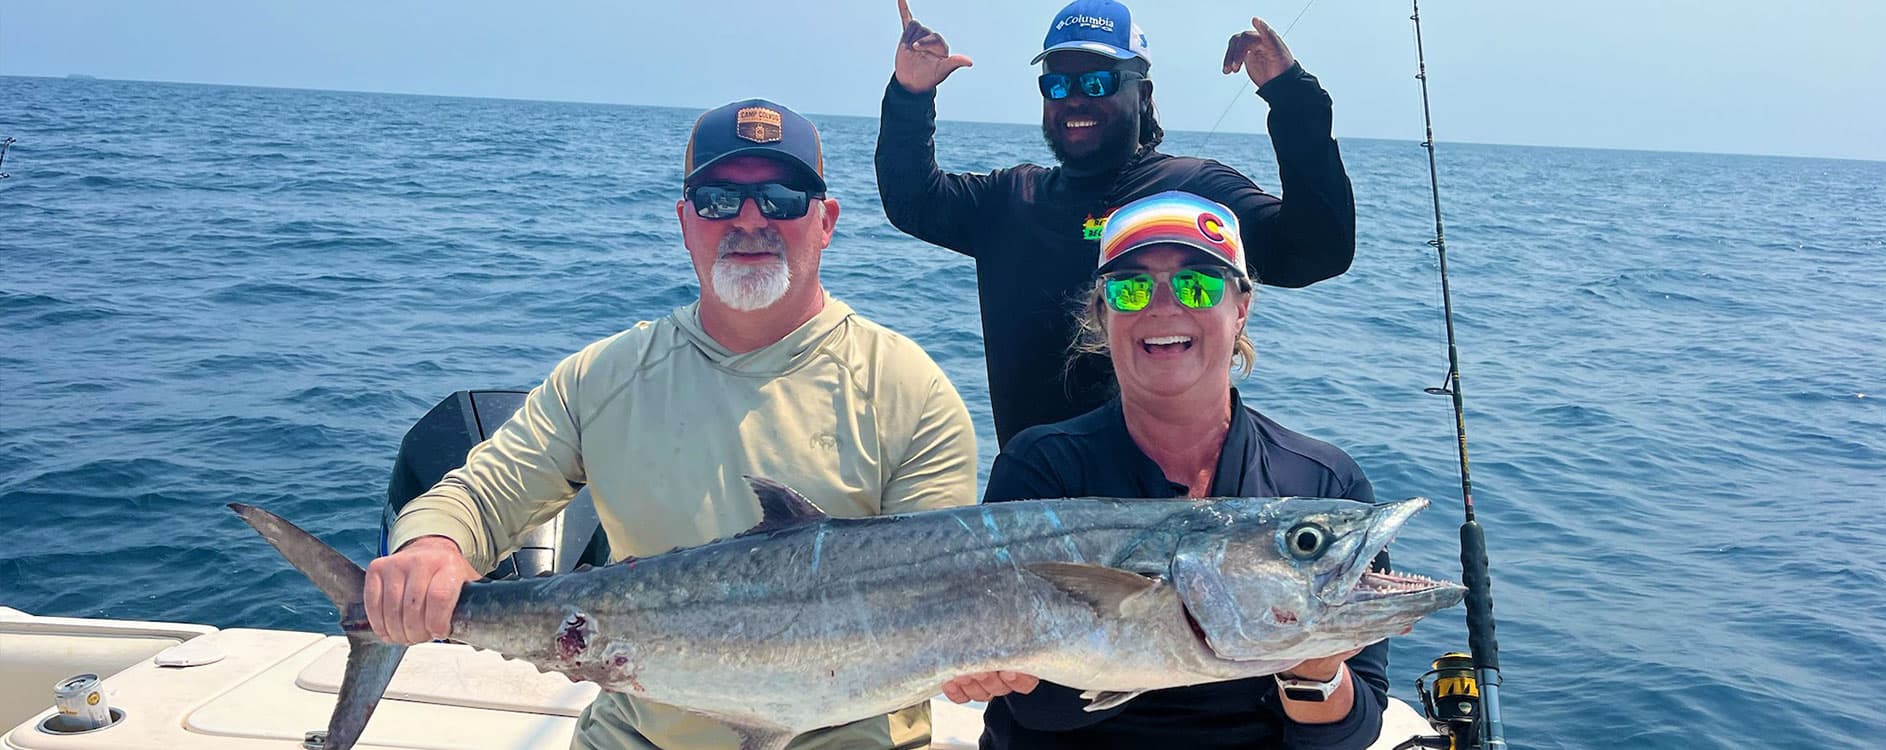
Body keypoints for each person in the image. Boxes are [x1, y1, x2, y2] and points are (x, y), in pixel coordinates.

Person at [366, 99, 979, 750]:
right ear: (686, 222)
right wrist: (430, 545)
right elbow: (481, 496)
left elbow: (942, 600)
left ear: (824, 221)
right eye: (718, 200)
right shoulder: (602, 377)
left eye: (780, 197)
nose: (749, 219)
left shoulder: (909, 390)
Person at [954, 192, 1392, 749]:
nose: (1163, 307)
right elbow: (1041, 713)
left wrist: (1312, 667)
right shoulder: (1042, 467)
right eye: (1131, 288)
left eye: (1198, 285)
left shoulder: (1324, 488)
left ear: (1240, 308)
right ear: (1103, 314)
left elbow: (1350, 735)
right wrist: (1003, 665)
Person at [880, 0, 1357, 448]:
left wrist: (1291, 95)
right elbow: (912, 201)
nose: (1074, 100)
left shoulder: (1194, 189)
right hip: (1032, 498)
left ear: (1142, 93)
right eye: (1057, 85)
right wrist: (911, 94)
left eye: (1097, 83)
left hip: (1163, 509)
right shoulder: (1010, 199)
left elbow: (1318, 250)